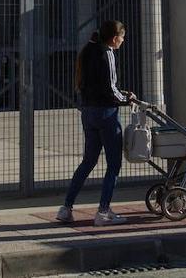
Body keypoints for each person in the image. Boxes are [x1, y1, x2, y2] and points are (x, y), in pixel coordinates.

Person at [56, 20, 134, 225]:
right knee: (114, 164)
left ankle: (66, 208)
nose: (123, 41)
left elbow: (95, 84)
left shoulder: (87, 52)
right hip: (106, 113)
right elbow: (110, 86)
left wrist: (120, 94)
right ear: (115, 38)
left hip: (88, 112)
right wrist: (127, 99)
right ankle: (103, 211)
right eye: (122, 38)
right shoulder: (106, 52)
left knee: (88, 161)